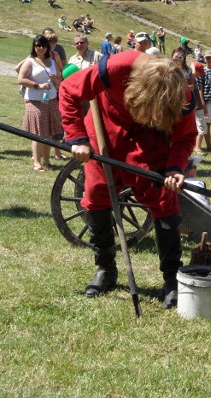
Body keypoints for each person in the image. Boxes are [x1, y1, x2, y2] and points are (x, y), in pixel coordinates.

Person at [58, 50, 197, 307]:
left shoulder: (183, 97)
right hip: (106, 132)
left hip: (148, 137)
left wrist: (174, 168)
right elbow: (68, 89)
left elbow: (185, 137)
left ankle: (171, 279)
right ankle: (105, 270)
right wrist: (77, 138)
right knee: (97, 195)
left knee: (164, 199)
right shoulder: (116, 68)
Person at [17, 35, 64, 172]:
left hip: (51, 100)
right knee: (38, 132)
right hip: (35, 101)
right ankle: (37, 162)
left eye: (43, 45)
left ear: (47, 47)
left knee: (48, 132)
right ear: (34, 46)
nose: (41, 48)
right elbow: (21, 79)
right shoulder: (30, 61)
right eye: (38, 45)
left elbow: (59, 82)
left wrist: (56, 79)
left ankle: (47, 161)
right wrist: (38, 86)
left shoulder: (53, 62)